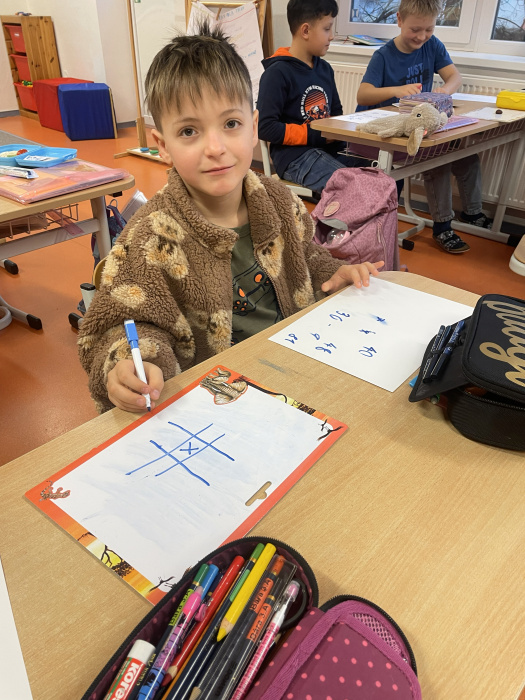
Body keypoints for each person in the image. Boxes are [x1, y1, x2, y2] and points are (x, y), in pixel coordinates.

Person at [78, 25, 383, 414]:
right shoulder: (150, 240)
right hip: (217, 407)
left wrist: (334, 272)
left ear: (254, 127)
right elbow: (116, 326)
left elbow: (305, 257)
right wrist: (129, 365)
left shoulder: (278, 201)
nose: (215, 147)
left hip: (300, 376)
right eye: (189, 131)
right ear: (163, 145)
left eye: (231, 124)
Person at [356, 0, 492, 254]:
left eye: (429, 29)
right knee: (438, 161)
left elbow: (455, 77)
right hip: (390, 135)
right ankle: (443, 227)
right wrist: (396, 90)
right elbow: (363, 94)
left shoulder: (432, 45)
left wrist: (444, 91)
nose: (422, 36)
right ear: (399, 20)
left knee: (467, 157)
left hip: (420, 127)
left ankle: (472, 214)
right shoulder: (383, 56)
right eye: (415, 29)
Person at [258, 0, 365, 194]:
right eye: (327, 29)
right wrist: (316, 134)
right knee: (354, 186)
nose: (332, 36)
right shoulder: (277, 73)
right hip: (294, 156)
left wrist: (342, 132)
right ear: (306, 31)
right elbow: (265, 128)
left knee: (378, 173)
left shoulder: (325, 69)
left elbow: (336, 113)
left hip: (327, 149)